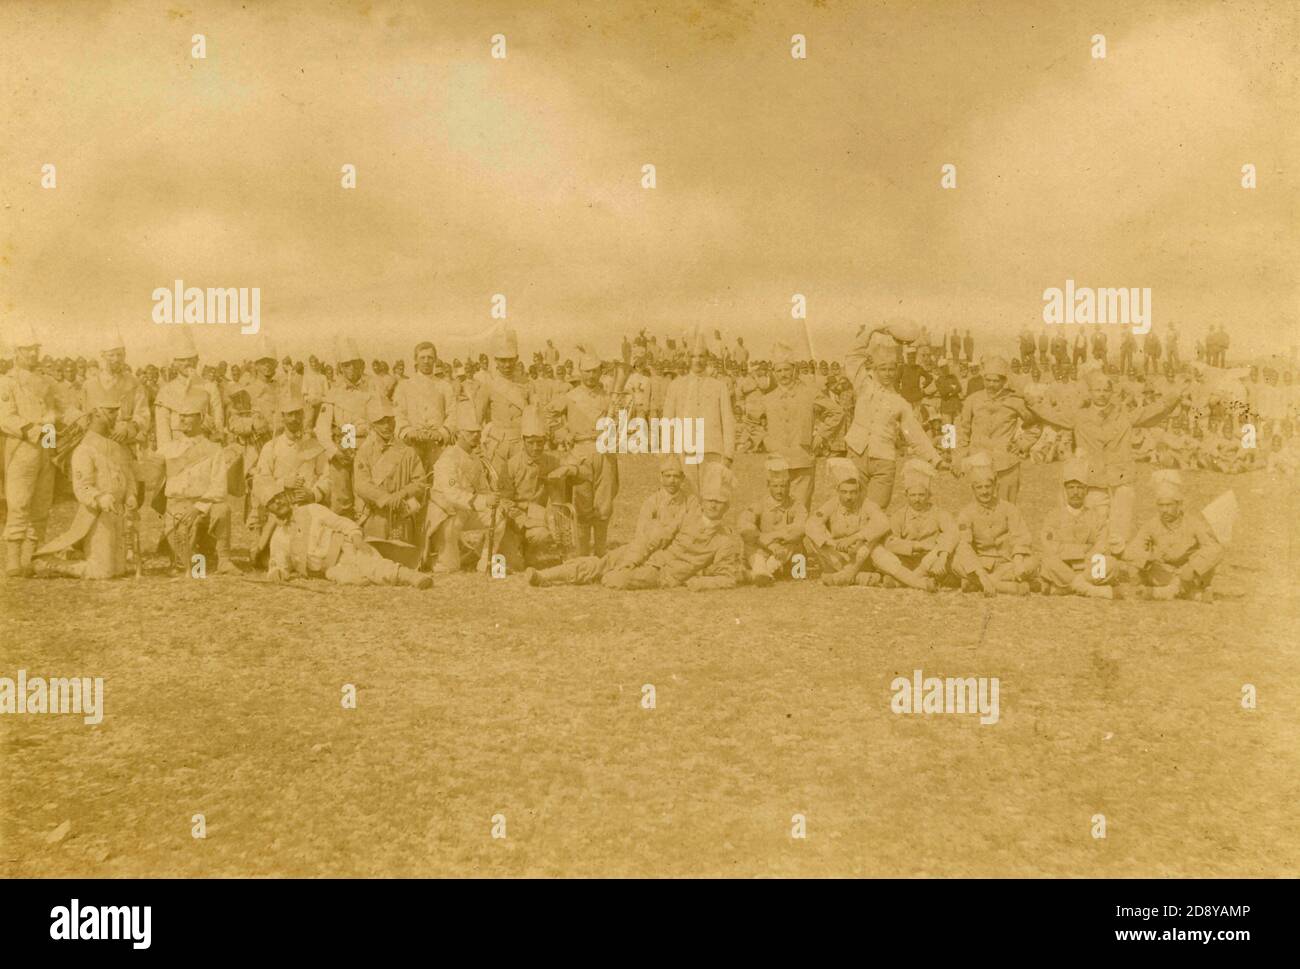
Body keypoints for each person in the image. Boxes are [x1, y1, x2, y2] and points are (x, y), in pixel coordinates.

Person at [525, 462, 744, 591]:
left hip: (662, 574)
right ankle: (545, 577)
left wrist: (700, 582)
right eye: (710, 500)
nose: (713, 506)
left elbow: (728, 577)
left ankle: (595, 574)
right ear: (703, 501)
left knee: (614, 579)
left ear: (727, 506)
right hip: (650, 555)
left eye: (719, 502)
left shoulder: (725, 539)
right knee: (604, 562)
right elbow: (656, 538)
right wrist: (632, 559)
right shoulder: (689, 516)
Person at [34, 379, 139, 579]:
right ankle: (51, 563)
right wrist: (100, 498)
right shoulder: (84, 448)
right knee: (102, 572)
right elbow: (82, 487)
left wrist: (131, 494)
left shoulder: (116, 446)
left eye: (116, 411)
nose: (115, 416)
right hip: (95, 515)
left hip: (118, 515)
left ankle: (74, 552)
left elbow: (128, 475)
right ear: (96, 413)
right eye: (110, 411)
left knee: (120, 570)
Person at [843, 330, 943, 509]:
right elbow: (852, 356)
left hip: (884, 461)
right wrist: (872, 330)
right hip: (856, 454)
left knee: (875, 511)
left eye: (891, 369)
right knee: (854, 508)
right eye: (883, 369)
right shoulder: (863, 385)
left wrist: (936, 460)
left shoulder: (899, 402)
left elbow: (915, 434)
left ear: (896, 370)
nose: (888, 373)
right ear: (875, 369)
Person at [261, 489, 431, 588]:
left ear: (287, 497)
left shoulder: (312, 510)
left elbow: (342, 523)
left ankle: (410, 577)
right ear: (269, 510)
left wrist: (356, 538)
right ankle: (374, 574)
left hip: (346, 548)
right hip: (329, 570)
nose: (278, 503)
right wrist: (277, 574)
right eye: (273, 503)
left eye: (280, 497)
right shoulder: (279, 537)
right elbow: (279, 565)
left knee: (372, 565)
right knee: (354, 580)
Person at [0, 322, 65, 577]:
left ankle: (30, 557)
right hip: (22, 446)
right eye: (27, 350)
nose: (32, 355)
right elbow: (5, 416)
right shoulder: (7, 382)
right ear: (16, 352)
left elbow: (56, 409)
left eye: (35, 349)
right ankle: (13, 560)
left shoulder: (44, 382)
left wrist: (53, 426)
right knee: (19, 503)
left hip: (45, 447)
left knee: (41, 503)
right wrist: (32, 429)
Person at [159, 391, 240, 575]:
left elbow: (218, 488)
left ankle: (224, 560)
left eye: (188, 415)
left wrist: (197, 508)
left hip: (203, 506)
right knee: (195, 570)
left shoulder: (214, 449)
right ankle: (193, 559)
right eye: (181, 415)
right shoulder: (168, 449)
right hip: (177, 507)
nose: (183, 419)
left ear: (201, 417)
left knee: (222, 509)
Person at [546, 351, 619, 555]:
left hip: (605, 453)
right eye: (586, 372)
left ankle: (601, 552)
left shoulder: (609, 397)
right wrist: (562, 433)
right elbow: (549, 414)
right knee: (583, 504)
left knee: (604, 506)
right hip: (580, 452)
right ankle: (583, 553)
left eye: (595, 371)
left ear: (600, 371)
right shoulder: (570, 396)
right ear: (580, 371)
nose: (591, 376)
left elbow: (620, 423)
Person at [425, 401, 506, 573]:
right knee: (448, 568)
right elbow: (451, 495)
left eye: (478, 432)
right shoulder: (448, 458)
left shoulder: (475, 459)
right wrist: (483, 501)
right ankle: (434, 554)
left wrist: (494, 500)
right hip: (446, 514)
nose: (476, 436)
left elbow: (482, 488)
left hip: (467, 510)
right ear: (460, 434)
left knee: (498, 517)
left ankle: (485, 562)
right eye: (471, 433)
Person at [1127, 470, 1223, 601]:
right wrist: (1149, 557)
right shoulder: (1151, 524)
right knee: (1137, 566)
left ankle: (1162, 592)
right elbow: (1134, 549)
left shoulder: (1193, 523)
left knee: (1208, 561)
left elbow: (1214, 548)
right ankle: (1188, 593)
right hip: (1163, 574)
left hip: (1189, 574)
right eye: (1161, 505)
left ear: (1179, 505)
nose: (1164, 510)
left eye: (1169, 505)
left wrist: (1193, 567)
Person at [952, 453, 1037, 595]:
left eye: (988, 487)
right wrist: (982, 575)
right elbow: (964, 545)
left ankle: (976, 583)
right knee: (955, 563)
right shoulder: (966, 513)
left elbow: (1021, 536)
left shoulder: (1009, 508)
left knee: (1033, 562)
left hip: (1007, 562)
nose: (984, 491)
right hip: (981, 564)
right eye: (979, 487)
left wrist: (1017, 560)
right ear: (973, 489)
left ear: (995, 487)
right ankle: (1005, 586)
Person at [662, 332, 735, 496]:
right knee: (688, 499)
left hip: (712, 452)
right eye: (693, 356)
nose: (698, 360)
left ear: (707, 358)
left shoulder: (719, 386)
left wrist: (728, 455)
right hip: (684, 452)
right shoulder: (676, 385)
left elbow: (728, 421)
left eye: (701, 356)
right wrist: (668, 454)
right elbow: (668, 422)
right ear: (688, 359)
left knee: (712, 498)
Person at [955, 355, 1037, 502]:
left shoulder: (1015, 401)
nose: (991, 385)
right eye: (988, 380)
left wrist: (1021, 444)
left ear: (1004, 381)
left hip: (1007, 464)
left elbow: (1034, 425)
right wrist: (959, 456)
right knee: (980, 508)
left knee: (1007, 508)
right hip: (979, 461)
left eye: (996, 381)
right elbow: (963, 429)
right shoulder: (973, 400)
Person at [315, 337, 380, 519]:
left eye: (355, 365)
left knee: (365, 499)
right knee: (342, 500)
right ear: (341, 368)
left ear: (361, 366)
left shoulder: (372, 390)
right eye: (346, 365)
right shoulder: (333, 393)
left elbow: (380, 421)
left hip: (368, 446)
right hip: (342, 445)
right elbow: (321, 428)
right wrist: (334, 451)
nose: (351, 370)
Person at [803, 457, 892, 587]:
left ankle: (847, 575)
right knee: (814, 537)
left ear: (859, 491)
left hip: (860, 554)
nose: (848, 497)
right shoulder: (833, 503)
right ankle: (861, 577)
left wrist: (855, 538)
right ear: (838, 491)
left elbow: (883, 523)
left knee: (873, 540)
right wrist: (831, 543)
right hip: (837, 555)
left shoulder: (866, 504)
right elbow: (811, 524)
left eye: (852, 492)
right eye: (844, 492)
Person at [1037, 458, 1118, 598]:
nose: (1076, 492)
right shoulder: (1054, 515)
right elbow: (1049, 545)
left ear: (1086, 491)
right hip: (1063, 566)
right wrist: (1081, 550)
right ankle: (1090, 589)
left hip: (1087, 567)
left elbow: (1101, 544)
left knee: (1111, 564)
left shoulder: (1095, 516)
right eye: (1071, 488)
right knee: (1048, 563)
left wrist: (1087, 557)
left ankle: (1066, 589)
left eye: (1080, 488)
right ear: (1065, 491)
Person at [352, 397, 427, 545]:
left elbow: (420, 482)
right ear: (373, 425)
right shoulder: (365, 452)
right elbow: (361, 485)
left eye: (390, 420)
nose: (387, 426)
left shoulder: (407, 451)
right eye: (381, 422)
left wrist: (402, 494)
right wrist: (386, 499)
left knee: (402, 558)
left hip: (402, 516)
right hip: (375, 516)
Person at [880, 459, 958, 589]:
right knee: (881, 553)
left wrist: (939, 553)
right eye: (913, 495)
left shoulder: (938, 512)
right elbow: (890, 542)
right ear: (907, 495)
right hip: (906, 561)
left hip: (931, 559)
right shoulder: (899, 515)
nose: (917, 499)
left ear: (929, 495)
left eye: (921, 495)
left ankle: (905, 581)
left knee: (947, 548)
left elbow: (952, 531)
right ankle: (918, 580)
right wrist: (916, 546)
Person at [738, 456, 806, 586]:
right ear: (768, 485)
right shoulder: (760, 503)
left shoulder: (796, 505)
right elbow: (744, 524)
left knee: (794, 541)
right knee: (749, 538)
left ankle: (758, 573)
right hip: (762, 548)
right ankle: (763, 572)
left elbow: (800, 528)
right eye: (775, 486)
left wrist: (775, 538)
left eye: (783, 486)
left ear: (789, 485)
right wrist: (766, 542)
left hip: (784, 550)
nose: (780, 491)